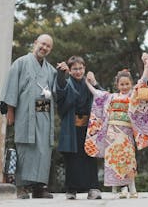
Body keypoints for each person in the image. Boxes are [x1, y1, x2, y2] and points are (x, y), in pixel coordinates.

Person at [84, 53, 148, 199]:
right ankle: (122, 188)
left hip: (126, 132)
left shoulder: (133, 95)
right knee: (114, 159)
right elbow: (97, 93)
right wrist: (87, 82)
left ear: (130, 84)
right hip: (112, 132)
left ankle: (131, 186)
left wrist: (147, 65)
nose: (124, 86)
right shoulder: (111, 97)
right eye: (122, 84)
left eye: (127, 84)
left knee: (128, 158)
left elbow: (143, 80)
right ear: (117, 85)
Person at [0, 34, 56, 199]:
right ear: (35, 43)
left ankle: (39, 187)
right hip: (24, 110)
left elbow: (56, 90)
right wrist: (10, 111)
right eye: (42, 44)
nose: (44, 48)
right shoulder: (21, 63)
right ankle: (22, 187)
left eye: (48, 46)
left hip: (42, 109)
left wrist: (63, 74)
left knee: (43, 148)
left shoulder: (51, 70)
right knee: (25, 146)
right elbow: (11, 88)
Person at [55, 56, 102, 200]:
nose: (78, 71)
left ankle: (93, 189)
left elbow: (103, 97)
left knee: (90, 157)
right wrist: (61, 75)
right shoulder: (67, 83)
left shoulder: (88, 84)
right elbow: (61, 91)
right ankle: (71, 190)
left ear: (85, 69)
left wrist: (95, 83)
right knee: (72, 159)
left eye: (80, 68)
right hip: (71, 126)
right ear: (70, 70)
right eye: (74, 69)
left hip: (88, 127)